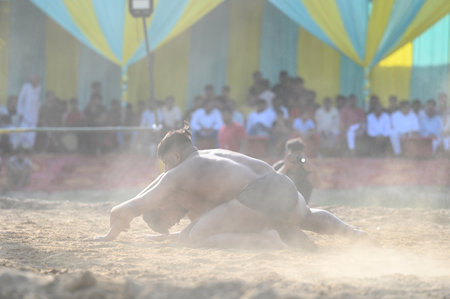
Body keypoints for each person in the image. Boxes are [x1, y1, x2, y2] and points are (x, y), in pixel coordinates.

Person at [96, 126, 367, 249]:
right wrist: (166, 235)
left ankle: (267, 239)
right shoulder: (210, 155)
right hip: (279, 184)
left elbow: (135, 204)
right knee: (307, 217)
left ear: (175, 157)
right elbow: (155, 186)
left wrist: (113, 225)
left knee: (196, 238)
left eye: (167, 164)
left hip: (257, 196)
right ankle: (353, 233)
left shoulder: (182, 170)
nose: (166, 170)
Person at [273, 138, 319, 205]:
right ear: (287, 154)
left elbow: (318, 185)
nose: (296, 157)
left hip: (302, 205)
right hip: (282, 204)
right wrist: (285, 167)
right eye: (294, 154)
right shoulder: (279, 166)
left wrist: (314, 171)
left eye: (298, 154)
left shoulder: (306, 168)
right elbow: (272, 182)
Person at [14, 75, 41, 151]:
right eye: (34, 79)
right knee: (22, 133)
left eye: (37, 79)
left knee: (32, 134)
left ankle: (29, 150)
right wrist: (20, 112)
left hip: (34, 116)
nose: (35, 80)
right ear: (31, 80)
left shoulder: (39, 88)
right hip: (24, 115)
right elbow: (20, 100)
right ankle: (19, 150)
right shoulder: (26, 87)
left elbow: (38, 102)